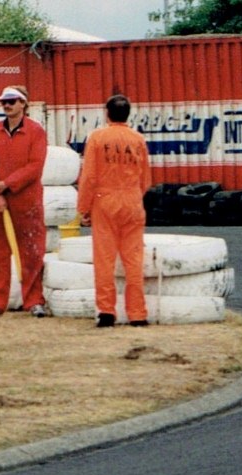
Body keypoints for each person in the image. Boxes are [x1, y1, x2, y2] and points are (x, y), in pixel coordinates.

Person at [77, 94, 152, 328]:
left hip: (105, 201)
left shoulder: (98, 138)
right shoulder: (138, 139)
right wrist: (132, 196)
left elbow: (89, 177)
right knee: (133, 259)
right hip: (131, 201)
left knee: (104, 259)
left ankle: (107, 312)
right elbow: (146, 179)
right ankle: (137, 314)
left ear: (106, 113)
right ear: (128, 114)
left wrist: (84, 208)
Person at [0, 85, 48, 318]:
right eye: (4, 102)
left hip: (27, 200)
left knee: (31, 250)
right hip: (0, 201)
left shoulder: (36, 132)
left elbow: (35, 166)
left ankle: (34, 301)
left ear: (23, 104)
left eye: (12, 101)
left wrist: (6, 184)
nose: (7, 106)